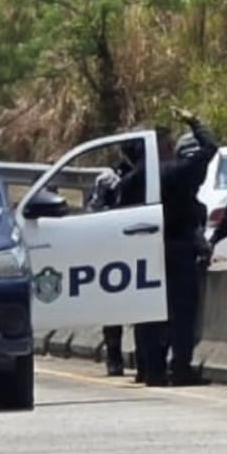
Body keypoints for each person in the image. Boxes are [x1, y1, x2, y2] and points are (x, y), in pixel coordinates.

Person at [132, 107, 219, 387]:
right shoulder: (179, 173)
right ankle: (180, 368)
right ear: (166, 146)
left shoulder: (136, 178)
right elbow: (210, 147)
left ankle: (151, 369)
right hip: (177, 247)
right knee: (181, 311)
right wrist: (194, 121)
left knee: (147, 311)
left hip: (144, 248)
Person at [87, 141, 145, 376]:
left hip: (143, 246)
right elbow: (94, 210)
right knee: (113, 306)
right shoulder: (108, 178)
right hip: (114, 247)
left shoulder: (152, 173)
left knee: (143, 307)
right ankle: (114, 356)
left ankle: (145, 359)